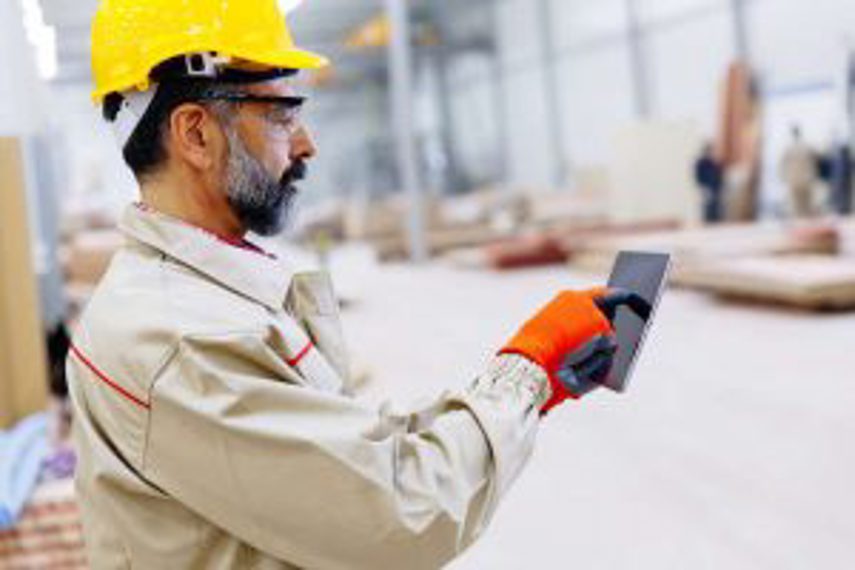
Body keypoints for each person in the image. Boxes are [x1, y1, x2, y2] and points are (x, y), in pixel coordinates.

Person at [67, 1, 636, 568]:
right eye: (283, 116)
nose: (306, 144)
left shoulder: (195, 301)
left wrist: (530, 383)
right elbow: (399, 513)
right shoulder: (181, 338)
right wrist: (524, 374)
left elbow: (347, 452)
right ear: (196, 134)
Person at [779, 125, 820, 217]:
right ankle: (806, 225)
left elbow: (783, 164)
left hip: (795, 179)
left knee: (797, 206)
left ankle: (800, 224)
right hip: (806, 178)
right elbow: (816, 160)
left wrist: (784, 177)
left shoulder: (789, 148)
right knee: (806, 205)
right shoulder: (807, 146)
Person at [694, 142, 724, 223]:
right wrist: (703, 187)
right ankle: (708, 221)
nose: (711, 152)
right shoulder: (701, 162)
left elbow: (719, 175)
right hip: (706, 187)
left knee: (716, 206)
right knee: (707, 206)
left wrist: (720, 186)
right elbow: (698, 176)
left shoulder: (715, 163)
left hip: (716, 188)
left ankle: (716, 221)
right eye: (709, 150)